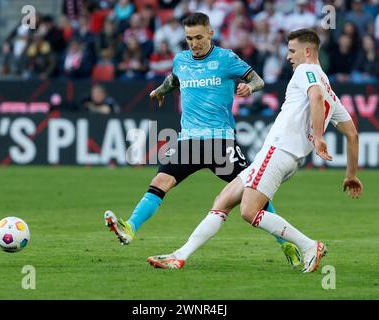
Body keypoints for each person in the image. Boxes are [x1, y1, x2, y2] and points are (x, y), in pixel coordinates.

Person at [147, 28, 363, 273]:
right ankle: (179, 256)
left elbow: (314, 98)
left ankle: (309, 245)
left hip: (279, 150)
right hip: (286, 156)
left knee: (249, 211)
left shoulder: (307, 70)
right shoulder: (330, 89)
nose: (288, 56)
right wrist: (351, 174)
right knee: (223, 200)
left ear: (308, 51)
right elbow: (352, 134)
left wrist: (319, 137)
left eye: (292, 51)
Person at [104, 12, 302, 268]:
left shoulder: (226, 58)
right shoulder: (181, 60)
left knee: (253, 195)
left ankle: (285, 243)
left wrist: (249, 88)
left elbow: (257, 79)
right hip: (189, 142)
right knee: (160, 181)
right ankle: (130, 228)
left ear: (210, 33)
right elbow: (175, 79)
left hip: (221, 142)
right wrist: (160, 91)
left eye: (199, 37)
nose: (194, 43)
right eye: (189, 38)